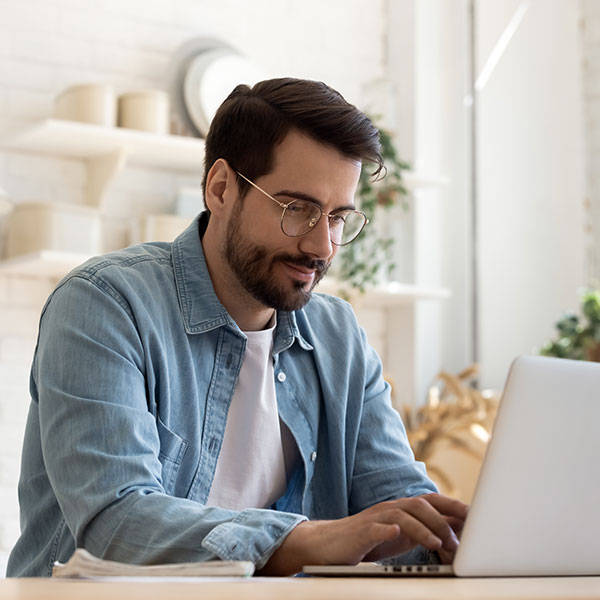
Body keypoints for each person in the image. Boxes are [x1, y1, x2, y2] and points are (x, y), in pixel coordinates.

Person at [7, 78, 467, 577]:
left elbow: (399, 505)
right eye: (298, 209)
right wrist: (307, 539)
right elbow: (115, 523)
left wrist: (456, 538)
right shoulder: (105, 305)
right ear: (221, 188)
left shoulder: (338, 336)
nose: (322, 247)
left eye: (337, 218)